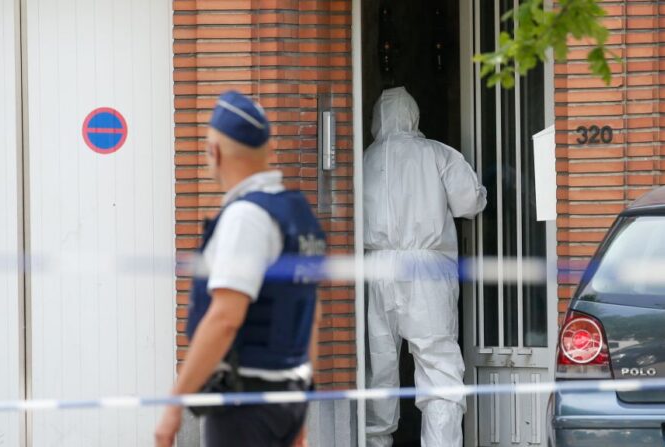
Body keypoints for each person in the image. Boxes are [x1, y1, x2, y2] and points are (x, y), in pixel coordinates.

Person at [155, 90, 325, 447]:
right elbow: (311, 315)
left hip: (245, 404)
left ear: (213, 153)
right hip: (288, 397)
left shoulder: (246, 217)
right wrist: (301, 405)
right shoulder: (296, 214)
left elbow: (225, 318)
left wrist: (174, 406)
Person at [363, 87, 486, 447]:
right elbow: (470, 203)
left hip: (377, 267)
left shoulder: (365, 159)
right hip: (427, 268)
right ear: (414, 114)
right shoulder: (437, 153)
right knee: (439, 366)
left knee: (379, 365)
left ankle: (375, 442)